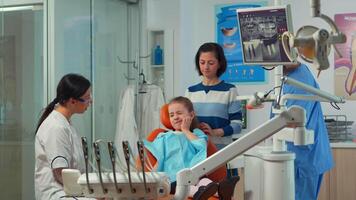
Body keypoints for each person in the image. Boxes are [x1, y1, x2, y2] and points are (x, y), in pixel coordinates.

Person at [278, 62, 333, 200]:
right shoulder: (287, 77)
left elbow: (292, 121)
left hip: (303, 159)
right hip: (304, 157)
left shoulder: (298, 79)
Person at [34, 73, 92, 200]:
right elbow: (61, 173)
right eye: (87, 98)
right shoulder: (56, 126)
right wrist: (88, 193)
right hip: (57, 194)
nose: (91, 101)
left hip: (68, 191)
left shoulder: (65, 124)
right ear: (72, 101)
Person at [143, 96, 208, 188]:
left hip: (194, 173)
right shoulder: (164, 137)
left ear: (191, 115)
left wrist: (185, 130)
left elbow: (201, 147)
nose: (175, 117)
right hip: (173, 178)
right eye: (171, 115)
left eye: (179, 113)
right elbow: (160, 159)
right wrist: (150, 179)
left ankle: (220, 190)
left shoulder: (196, 133)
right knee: (186, 187)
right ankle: (199, 192)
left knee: (206, 181)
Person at [185, 42, 242, 145]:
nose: (206, 67)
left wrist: (215, 132)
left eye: (211, 63)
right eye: (202, 62)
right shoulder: (190, 91)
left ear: (219, 63)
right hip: (195, 151)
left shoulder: (229, 90)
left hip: (220, 152)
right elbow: (184, 122)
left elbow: (237, 125)